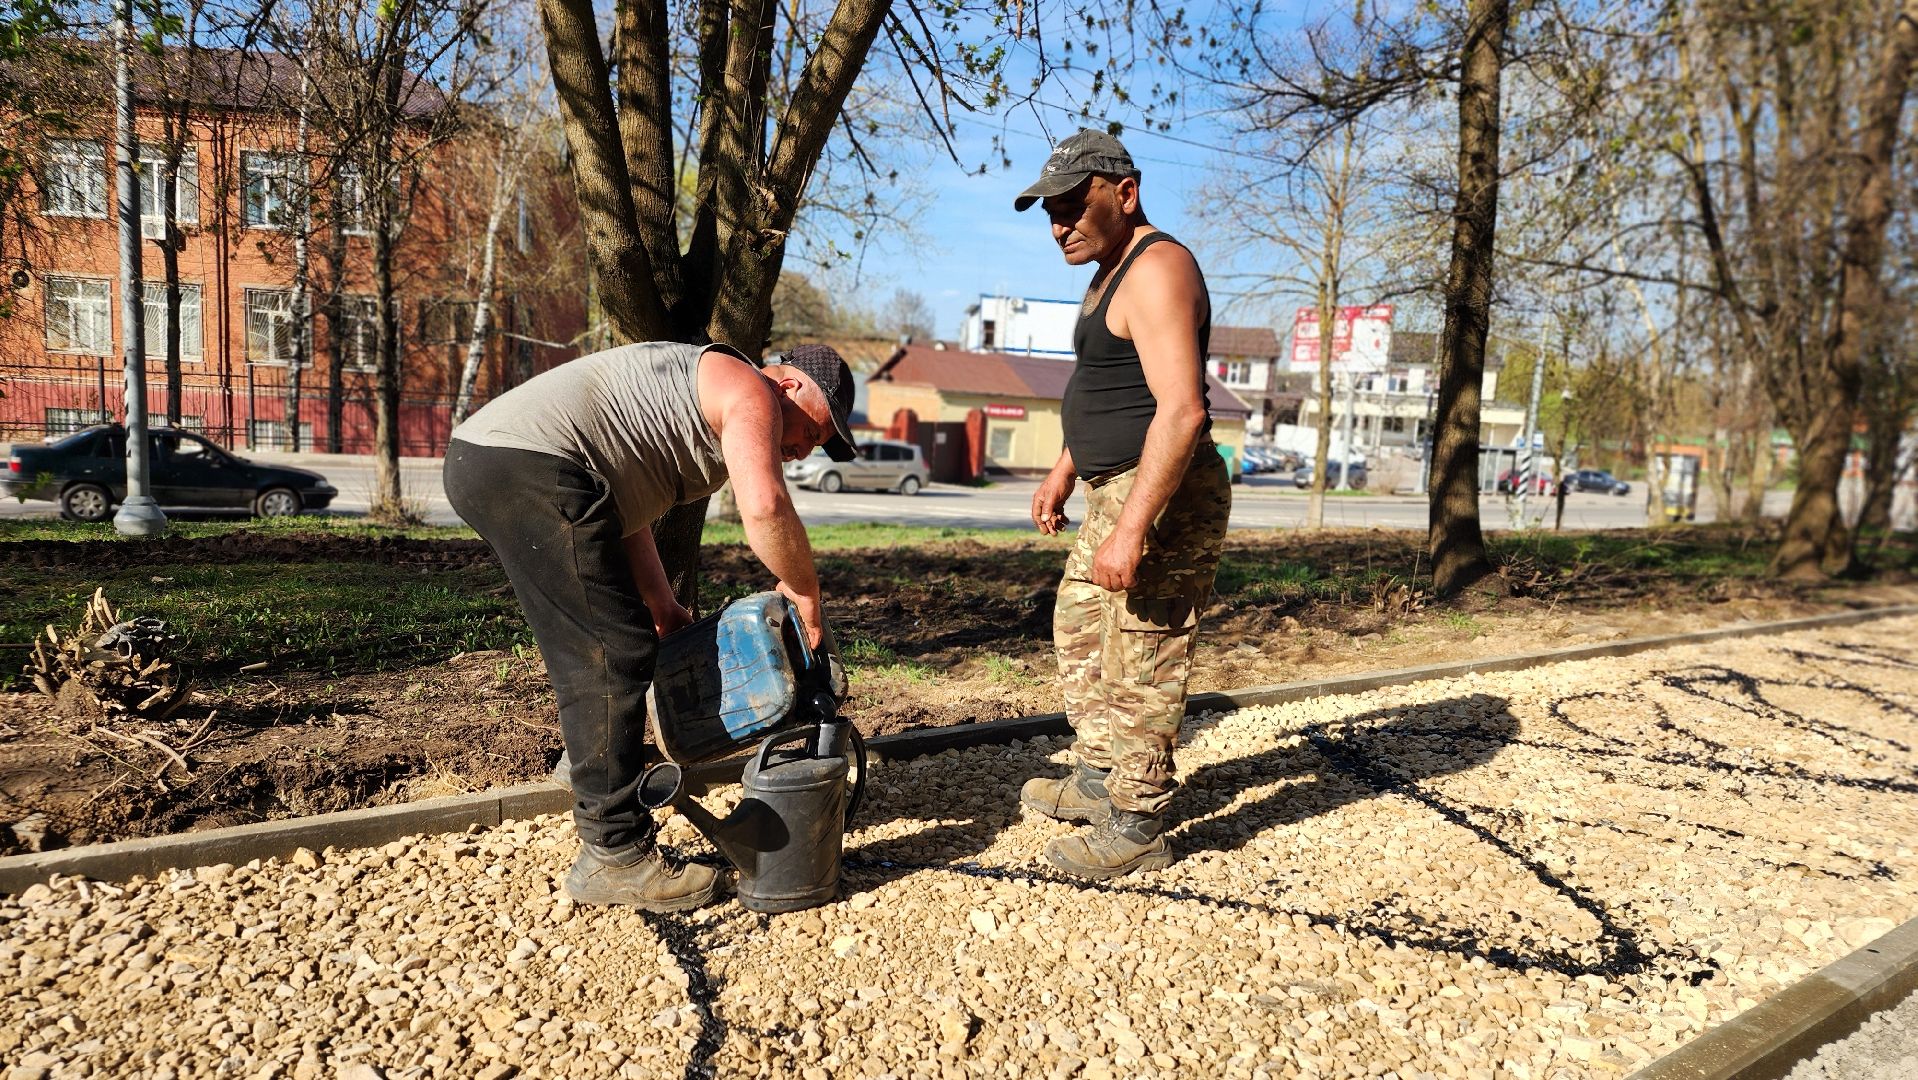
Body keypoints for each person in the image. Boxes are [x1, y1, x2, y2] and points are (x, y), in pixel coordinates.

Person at [444, 341, 857, 911]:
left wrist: (663, 604)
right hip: (525, 461)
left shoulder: (692, 411)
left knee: (613, 639)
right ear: (790, 386)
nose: (806, 451)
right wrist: (805, 591)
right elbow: (765, 507)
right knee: (607, 653)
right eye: (816, 431)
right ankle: (612, 853)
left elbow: (622, 512)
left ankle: (596, 763)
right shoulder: (750, 391)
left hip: (505, 460)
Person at [1013, 129, 1232, 879]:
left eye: (1074, 206)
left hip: (1159, 490)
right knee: (1079, 629)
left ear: (1125, 194)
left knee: (1143, 651)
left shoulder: (1157, 268)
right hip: (1111, 485)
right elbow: (1110, 387)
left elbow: (1180, 412)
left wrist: (1132, 527)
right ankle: (1101, 777)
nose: (1059, 225)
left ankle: (1138, 825)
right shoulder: (1107, 273)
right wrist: (1064, 469)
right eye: (1050, 213)